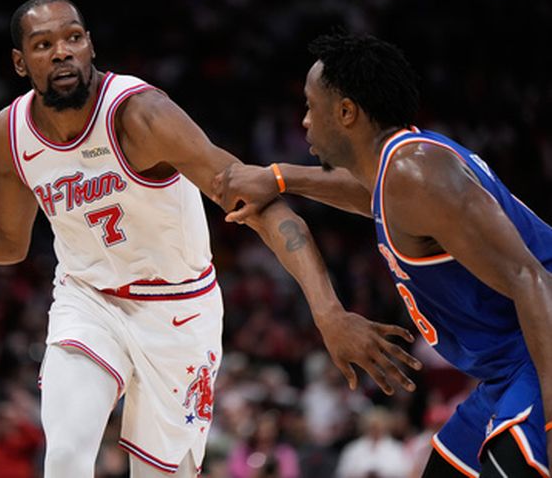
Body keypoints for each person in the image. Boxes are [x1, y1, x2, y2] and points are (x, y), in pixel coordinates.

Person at [0, 0, 419, 477]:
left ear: (90, 44)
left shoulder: (141, 115)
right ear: (20, 63)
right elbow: (7, 240)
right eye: (43, 44)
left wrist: (329, 311)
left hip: (180, 312)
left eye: (73, 37)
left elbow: (257, 203)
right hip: (89, 300)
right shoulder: (9, 133)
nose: (63, 52)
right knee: (68, 455)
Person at [214, 32, 552, 477]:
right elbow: (369, 195)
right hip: (508, 370)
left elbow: (532, 278)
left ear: (347, 112)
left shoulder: (417, 174)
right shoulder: (403, 173)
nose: (304, 122)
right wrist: (280, 178)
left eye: (311, 105)